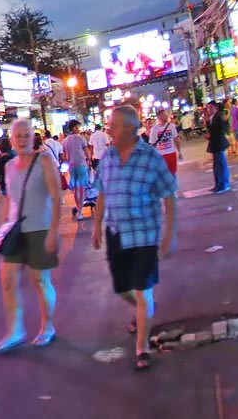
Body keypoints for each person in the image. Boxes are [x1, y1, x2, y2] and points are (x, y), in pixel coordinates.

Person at [92, 104, 178, 373]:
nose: (109, 129)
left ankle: (142, 348)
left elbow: (169, 196)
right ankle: (145, 307)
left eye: (114, 125)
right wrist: (96, 226)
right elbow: (102, 193)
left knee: (142, 290)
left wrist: (169, 236)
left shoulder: (151, 158)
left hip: (143, 235)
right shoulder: (107, 157)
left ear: (129, 128)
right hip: (116, 233)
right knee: (122, 288)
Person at [0, 118, 63, 352]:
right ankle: (15, 331)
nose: (22, 140)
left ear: (33, 137)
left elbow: (57, 197)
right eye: (17, 136)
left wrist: (54, 231)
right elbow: (10, 199)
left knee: (40, 281)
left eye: (26, 135)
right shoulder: (9, 166)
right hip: (15, 231)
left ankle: (47, 327)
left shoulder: (44, 161)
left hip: (39, 229)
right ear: (11, 140)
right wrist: (3, 229)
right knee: (8, 281)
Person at [62, 122, 91, 223]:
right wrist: (89, 161)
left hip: (72, 167)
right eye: (78, 127)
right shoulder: (80, 138)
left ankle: (79, 210)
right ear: (74, 128)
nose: (79, 129)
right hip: (81, 165)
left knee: (75, 189)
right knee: (82, 188)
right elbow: (86, 151)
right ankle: (80, 211)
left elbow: (64, 156)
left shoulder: (65, 141)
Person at [147, 109, 182, 176]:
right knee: (163, 175)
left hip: (171, 153)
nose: (166, 116)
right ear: (159, 117)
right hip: (161, 155)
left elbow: (176, 139)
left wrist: (179, 151)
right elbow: (152, 144)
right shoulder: (154, 129)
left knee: (173, 173)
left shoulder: (171, 126)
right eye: (164, 115)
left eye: (166, 115)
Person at [206, 103, 231, 194]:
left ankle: (224, 184)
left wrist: (210, 135)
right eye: (208, 108)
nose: (209, 109)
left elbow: (219, 131)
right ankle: (218, 184)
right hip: (215, 144)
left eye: (210, 107)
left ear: (215, 108)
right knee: (216, 166)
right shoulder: (212, 117)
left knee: (221, 164)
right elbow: (211, 129)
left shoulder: (218, 117)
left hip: (219, 144)